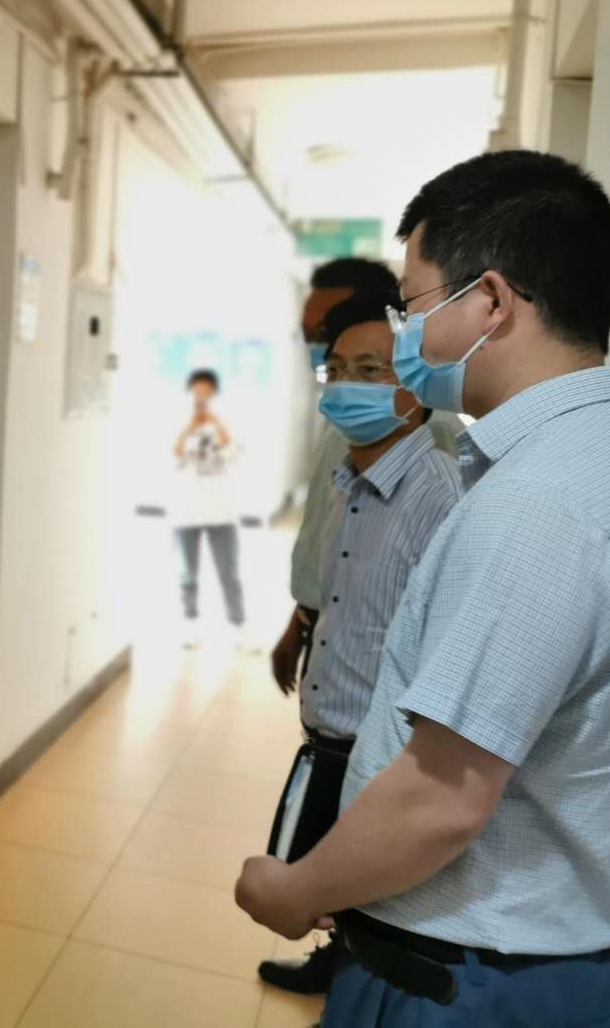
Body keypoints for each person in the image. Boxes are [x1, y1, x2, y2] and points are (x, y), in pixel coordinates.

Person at [236, 150, 610, 1026]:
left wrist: (296, 889)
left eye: (411, 305)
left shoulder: (536, 503)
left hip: (465, 979)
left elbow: (442, 800)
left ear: (489, 302)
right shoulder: (607, 455)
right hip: (554, 948)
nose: (403, 333)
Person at [261, 259, 464, 997]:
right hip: (335, 730)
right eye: (333, 364)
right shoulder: (349, 470)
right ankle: (341, 963)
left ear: (413, 381)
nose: (342, 381)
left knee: (377, 911)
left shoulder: (439, 488)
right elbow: (341, 575)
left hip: (388, 751)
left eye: (368, 368)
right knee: (336, 892)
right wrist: (302, 622)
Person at [169, 368, 248, 649]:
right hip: (185, 510)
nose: (201, 397)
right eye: (197, 392)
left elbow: (234, 453)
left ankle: (238, 626)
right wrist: (188, 427)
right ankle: (190, 623)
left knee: (229, 572)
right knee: (187, 573)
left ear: (215, 393)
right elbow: (173, 454)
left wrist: (216, 422)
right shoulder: (178, 418)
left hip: (221, 510)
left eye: (206, 392)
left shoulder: (227, 420)